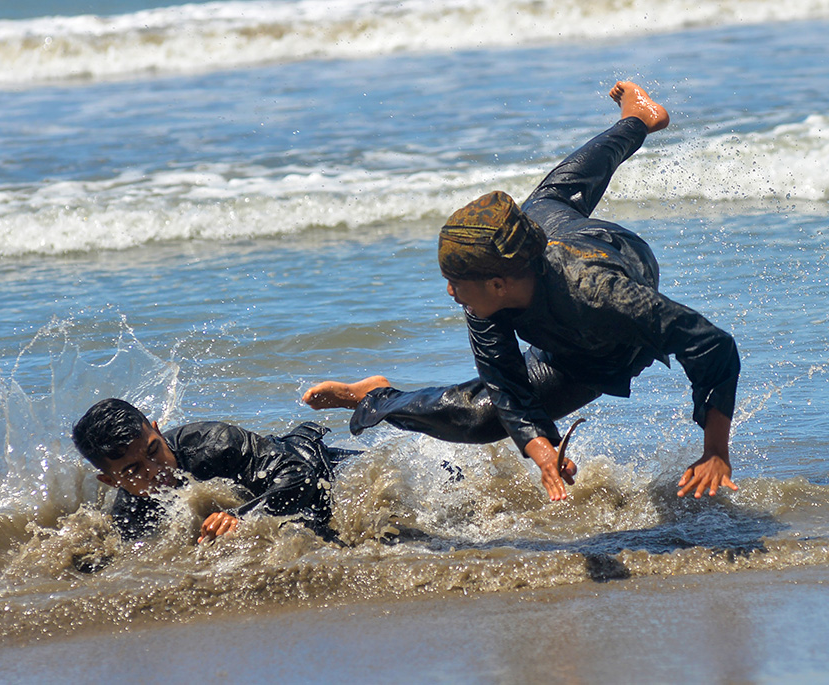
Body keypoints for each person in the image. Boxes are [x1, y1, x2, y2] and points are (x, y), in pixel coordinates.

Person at [303, 81, 740, 503]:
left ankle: (639, 121)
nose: (451, 293)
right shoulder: (487, 291)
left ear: (497, 282)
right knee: (478, 415)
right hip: (548, 242)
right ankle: (638, 120)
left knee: (556, 215)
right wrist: (541, 446)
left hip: (604, 319)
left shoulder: (603, 296)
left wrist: (715, 450)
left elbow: (712, 345)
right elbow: (505, 380)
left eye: (457, 283)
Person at [72, 398, 353, 544]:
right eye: (134, 470)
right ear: (111, 481)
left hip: (326, 469)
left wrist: (239, 517)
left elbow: (300, 476)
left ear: (156, 430)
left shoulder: (216, 445)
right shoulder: (129, 513)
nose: (155, 470)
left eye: (153, 451)